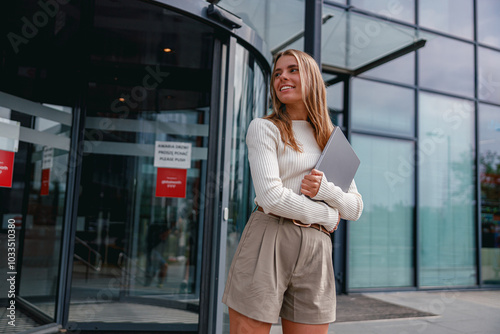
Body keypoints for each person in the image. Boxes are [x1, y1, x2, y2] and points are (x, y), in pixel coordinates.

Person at [222, 49, 363, 334]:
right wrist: (326, 214)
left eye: (292, 70)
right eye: (277, 73)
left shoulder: (330, 137)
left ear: (311, 77)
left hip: (317, 248)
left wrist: (326, 190)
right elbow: (271, 197)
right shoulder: (264, 128)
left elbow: (355, 208)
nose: (282, 77)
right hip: (270, 236)